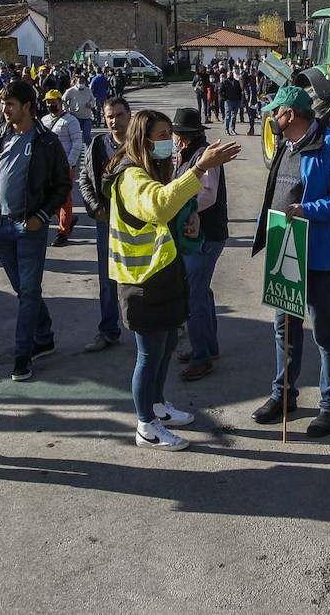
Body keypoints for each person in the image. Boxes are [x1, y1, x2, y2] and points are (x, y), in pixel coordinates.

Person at [102, 109, 241, 450]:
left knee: (164, 347)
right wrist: (198, 168)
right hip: (141, 280)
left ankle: (158, 407)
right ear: (142, 138)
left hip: (162, 272)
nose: (168, 141)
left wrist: (190, 218)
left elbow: (170, 211)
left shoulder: (151, 169)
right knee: (149, 355)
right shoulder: (130, 175)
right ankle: (145, 425)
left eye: (169, 134)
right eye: (162, 135)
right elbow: (158, 207)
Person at [250, 85, 330, 437]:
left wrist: (310, 211)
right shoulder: (286, 146)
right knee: (283, 326)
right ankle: (282, 395)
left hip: (319, 254)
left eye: (277, 112)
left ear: (291, 114)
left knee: (323, 329)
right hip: (283, 248)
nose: (272, 117)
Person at [0, 79, 71, 381]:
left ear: (27, 107)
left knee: (28, 292)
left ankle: (23, 354)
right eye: (3, 104)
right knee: (23, 289)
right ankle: (44, 336)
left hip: (30, 227)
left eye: (11, 105)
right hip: (2, 227)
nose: (4, 110)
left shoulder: (46, 141)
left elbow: (62, 185)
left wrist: (42, 216)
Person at [170, 107, 230, 381]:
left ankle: (202, 357)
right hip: (200, 235)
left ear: (181, 136)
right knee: (201, 292)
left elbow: (207, 195)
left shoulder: (204, 156)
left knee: (194, 295)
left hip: (205, 236)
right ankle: (206, 346)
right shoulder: (190, 154)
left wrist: (176, 202)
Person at [80, 96, 130, 353]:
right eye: (110, 116)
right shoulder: (98, 144)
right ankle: (109, 330)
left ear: (129, 116)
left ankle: (160, 327)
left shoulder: (141, 144)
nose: (114, 121)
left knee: (147, 276)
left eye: (119, 115)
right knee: (107, 278)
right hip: (106, 222)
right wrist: (94, 207)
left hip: (138, 223)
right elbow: (84, 178)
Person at [41, 89, 84, 247]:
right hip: (48, 167)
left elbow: (77, 143)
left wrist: (69, 163)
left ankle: (63, 231)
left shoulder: (70, 121)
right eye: (48, 101)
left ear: (61, 102)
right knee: (50, 198)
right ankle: (69, 219)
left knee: (65, 199)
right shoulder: (44, 120)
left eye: (53, 101)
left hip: (65, 167)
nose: (50, 104)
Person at [62, 73, 95, 144]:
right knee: (75, 137)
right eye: (80, 82)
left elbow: (93, 100)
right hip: (75, 117)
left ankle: (87, 153)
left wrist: (91, 104)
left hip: (86, 117)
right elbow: (63, 100)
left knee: (87, 137)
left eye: (83, 82)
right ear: (76, 82)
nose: (81, 83)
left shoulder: (88, 91)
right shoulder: (71, 91)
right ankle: (77, 152)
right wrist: (67, 111)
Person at [218, 69, 243, 136]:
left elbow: (240, 91)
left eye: (231, 74)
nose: (230, 76)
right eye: (229, 75)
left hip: (236, 101)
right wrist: (225, 99)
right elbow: (220, 92)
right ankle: (227, 129)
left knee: (234, 116)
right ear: (227, 75)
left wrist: (239, 100)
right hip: (228, 101)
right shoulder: (224, 82)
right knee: (228, 116)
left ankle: (233, 129)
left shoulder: (236, 82)